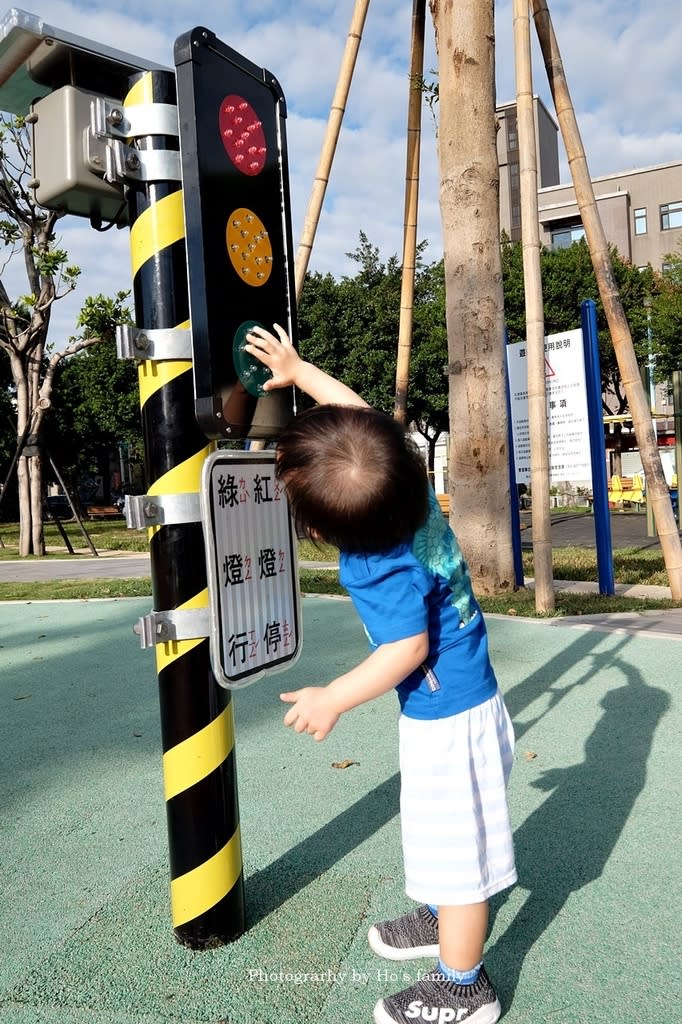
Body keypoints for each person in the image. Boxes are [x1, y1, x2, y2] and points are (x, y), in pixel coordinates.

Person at [244, 324, 517, 1024]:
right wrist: (299, 370)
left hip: (449, 719)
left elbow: (405, 649)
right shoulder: (409, 490)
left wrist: (333, 696)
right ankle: (440, 914)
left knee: (460, 860)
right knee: (443, 837)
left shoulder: (375, 564)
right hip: (459, 703)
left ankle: (464, 986)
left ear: (321, 531)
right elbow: (362, 416)